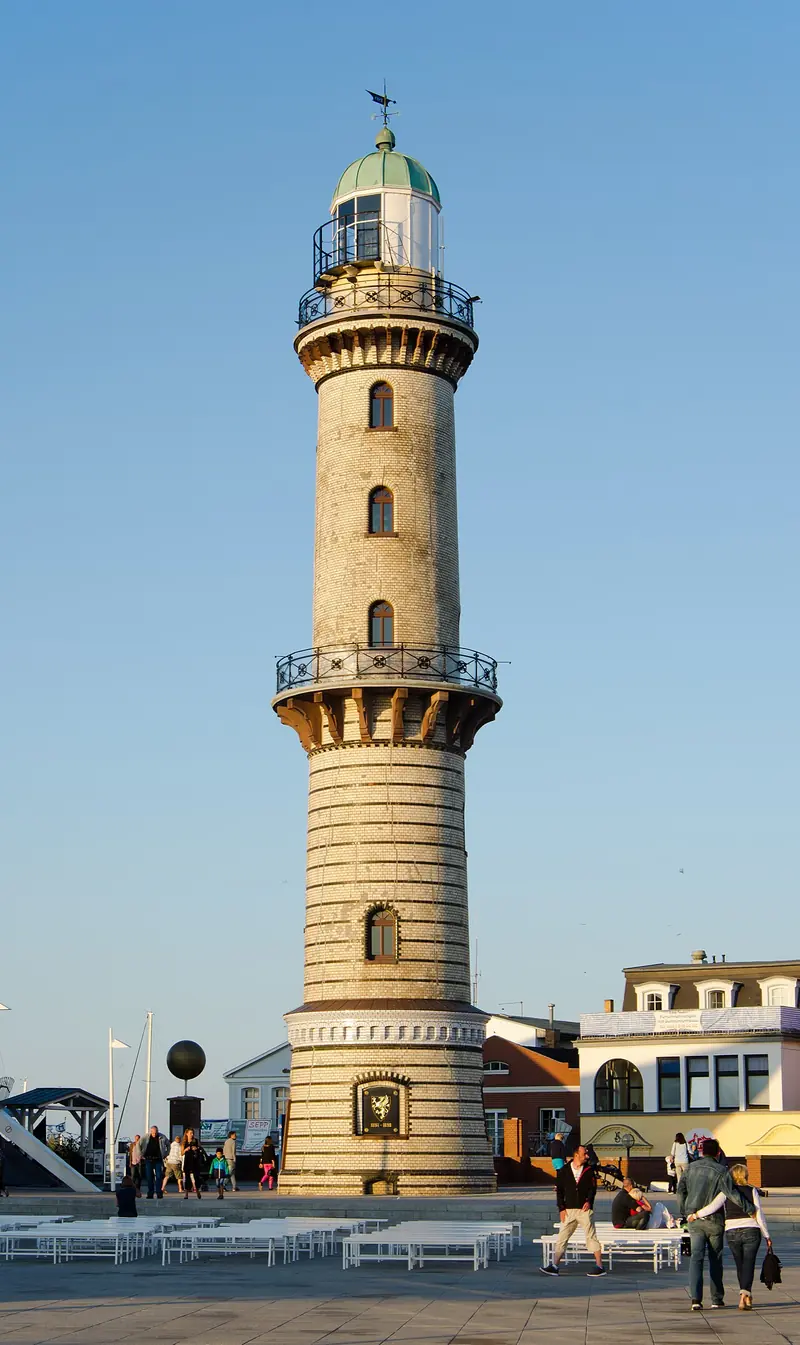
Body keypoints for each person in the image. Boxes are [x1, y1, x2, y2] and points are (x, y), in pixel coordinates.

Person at [678, 1137, 755, 1312]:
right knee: (715, 1259)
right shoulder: (722, 1171)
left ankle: (696, 1299)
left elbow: (680, 1191)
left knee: (696, 1259)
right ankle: (716, 1298)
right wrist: (749, 1207)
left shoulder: (690, 1169)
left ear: (701, 1151)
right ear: (718, 1153)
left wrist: (685, 1212)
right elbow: (731, 1193)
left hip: (695, 1221)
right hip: (715, 1222)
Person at [689, 1162, 771, 1312]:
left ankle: (745, 1294)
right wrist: (767, 1235)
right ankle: (745, 1295)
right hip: (751, 1229)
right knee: (749, 1264)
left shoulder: (726, 1193)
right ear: (746, 1176)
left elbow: (712, 1207)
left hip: (732, 1231)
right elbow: (759, 1213)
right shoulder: (752, 1191)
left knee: (740, 1265)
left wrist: (695, 1215)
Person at [539, 1143, 607, 1277]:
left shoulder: (589, 1170)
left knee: (591, 1237)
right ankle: (554, 1266)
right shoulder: (564, 1170)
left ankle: (600, 1266)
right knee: (562, 1237)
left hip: (584, 1210)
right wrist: (561, 1209)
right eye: (584, 1154)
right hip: (568, 1210)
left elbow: (592, 1190)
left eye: (587, 1154)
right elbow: (559, 1191)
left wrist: (589, 1202)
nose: (587, 1156)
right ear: (576, 1155)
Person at [142, 1125, 168, 1199]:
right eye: (153, 1133)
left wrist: (166, 1153)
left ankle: (159, 1193)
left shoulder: (162, 1137)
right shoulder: (146, 1137)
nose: (154, 1134)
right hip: (148, 1159)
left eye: (155, 1133)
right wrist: (141, 1154)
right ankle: (150, 1193)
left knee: (159, 1176)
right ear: (151, 1132)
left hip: (158, 1159)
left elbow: (168, 1145)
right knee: (149, 1177)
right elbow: (139, 1144)